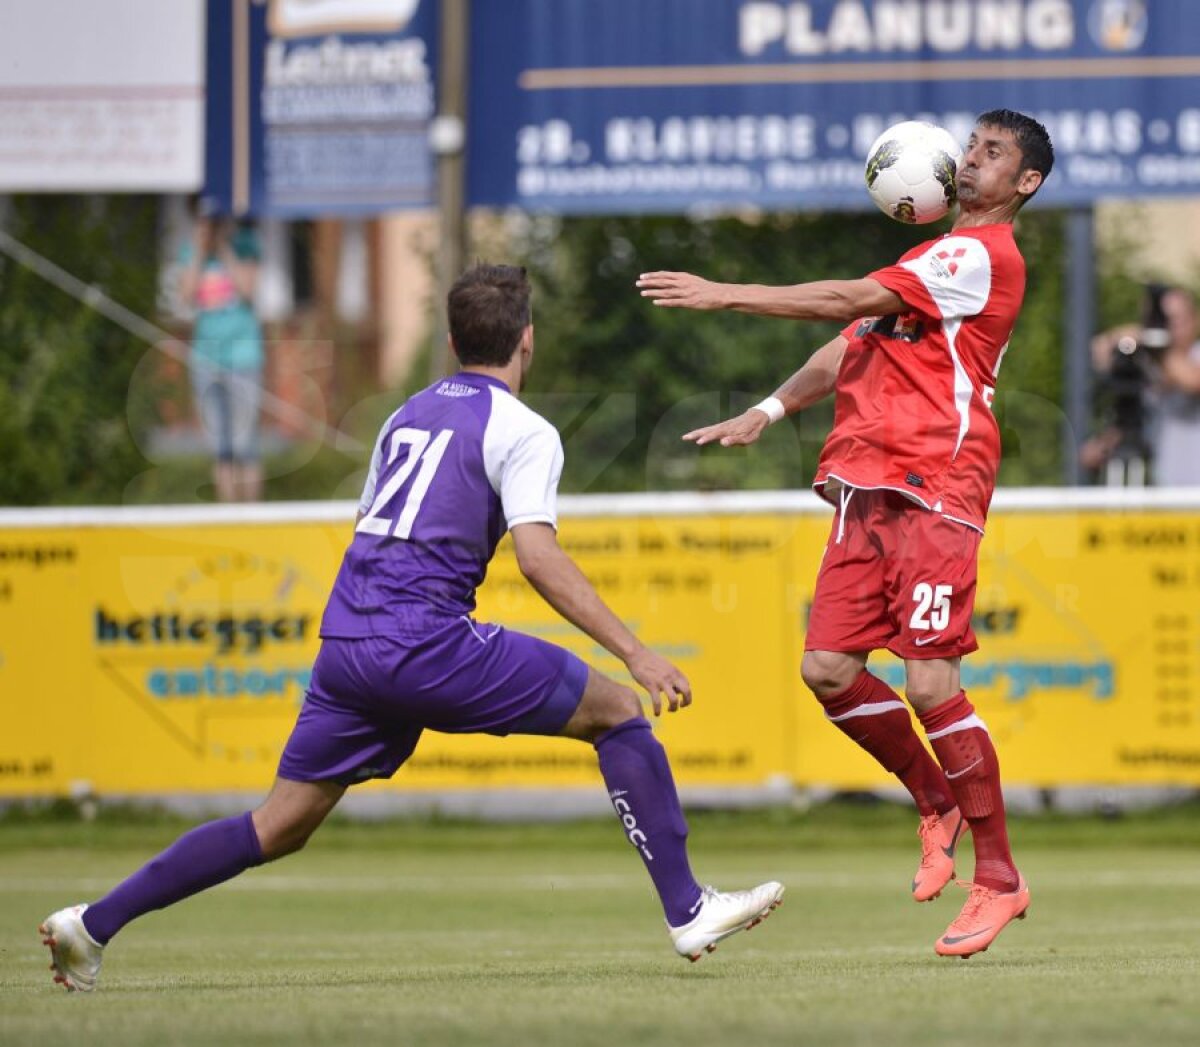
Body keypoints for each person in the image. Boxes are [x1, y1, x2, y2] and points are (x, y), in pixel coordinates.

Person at [40, 264, 782, 992]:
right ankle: (687, 908)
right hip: (422, 641)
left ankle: (92, 923)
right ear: (528, 340)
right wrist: (636, 651)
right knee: (620, 712)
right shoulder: (523, 429)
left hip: (349, 644)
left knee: (280, 823)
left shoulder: (406, 414)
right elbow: (537, 558)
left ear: (455, 342)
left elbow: (370, 525)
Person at [637, 109, 1054, 958]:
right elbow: (851, 337)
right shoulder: (930, 260)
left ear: (1026, 185)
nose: (970, 161)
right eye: (970, 147)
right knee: (826, 668)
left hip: (936, 483)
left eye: (993, 154)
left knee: (933, 685)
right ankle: (935, 800)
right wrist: (767, 409)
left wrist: (723, 293)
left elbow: (842, 297)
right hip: (867, 486)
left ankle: (1000, 877)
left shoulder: (979, 256)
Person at [177, 201, 265, 502]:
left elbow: (248, 290)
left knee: (245, 443)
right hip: (206, 359)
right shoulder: (191, 253)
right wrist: (202, 251)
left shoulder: (245, 245)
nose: (210, 227)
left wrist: (225, 248)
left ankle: (251, 515)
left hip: (243, 356)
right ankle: (228, 512)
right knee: (220, 446)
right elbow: (186, 297)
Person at [1084, 285, 1200, 486]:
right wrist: (1105, 444)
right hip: (1164, 495)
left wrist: (1155, 342)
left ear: (1195, 319)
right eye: (1163, 322)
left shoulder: (1188, 357)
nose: (1170, 328)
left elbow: (1192, 380)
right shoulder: (1151, 364)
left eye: (1175, 320)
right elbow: (1099, 351)